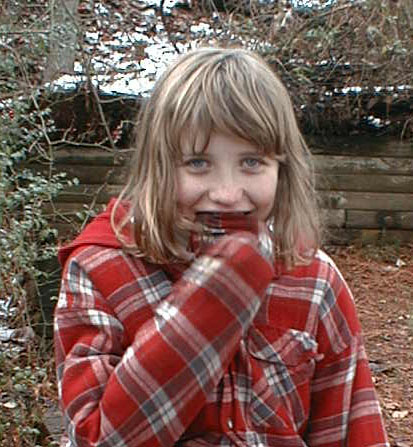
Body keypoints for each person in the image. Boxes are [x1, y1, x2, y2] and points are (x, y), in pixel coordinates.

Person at [54, 47, 389, 447]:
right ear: (158, 168)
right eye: (198, 163)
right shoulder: (100, 269)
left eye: (251, 162)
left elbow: (352, 429)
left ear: (283, 169)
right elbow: (97, 439)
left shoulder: (314, 280)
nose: (228, 194)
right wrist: (216, 297)